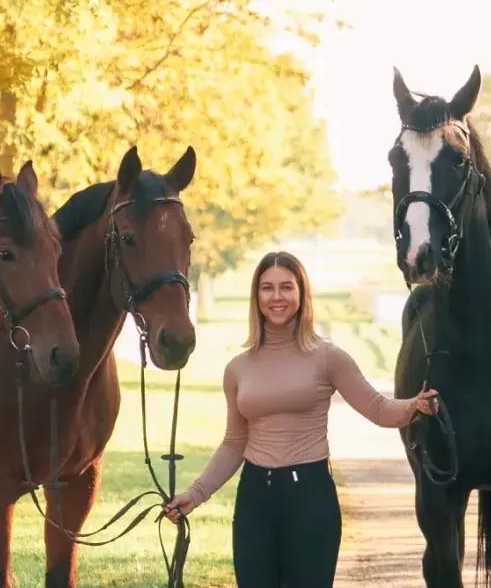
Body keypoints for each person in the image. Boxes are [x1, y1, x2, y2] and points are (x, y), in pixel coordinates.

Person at [164, 251, 438, 587]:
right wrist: (196, 493)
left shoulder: (328, 358)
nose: (276, 297)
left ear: (301, 293)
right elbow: (235, 442)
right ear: (256, 296)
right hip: (255, 498)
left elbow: (379, 409)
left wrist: (415, 405)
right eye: (267, 288)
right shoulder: (238, 368)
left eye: (286, 287)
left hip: (310, 496)